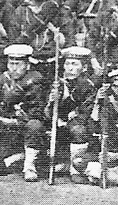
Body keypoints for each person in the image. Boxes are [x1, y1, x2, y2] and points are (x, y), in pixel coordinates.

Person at [0, 44, 47, 180]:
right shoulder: (2, 80)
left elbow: (37, 112)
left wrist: (14, 120)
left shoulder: (35, 80)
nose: (13, 68)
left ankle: (29, 167)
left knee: (34, 125)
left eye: (18, 64)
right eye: (11, 63)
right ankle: (18, 158)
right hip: (9, 131)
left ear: (27, 65)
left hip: (29, 130)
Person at [46, 46, 98, 183]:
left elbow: (86, 111)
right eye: (67, 64)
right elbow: (46, 111)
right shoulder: (57, 84)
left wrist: (69, 120)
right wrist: (52, 101)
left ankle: (76, 168)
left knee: (78, 130)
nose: (70, 68)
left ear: (84, 67)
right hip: (57, 123)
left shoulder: (88, 85)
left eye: (75, 64)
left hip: (78, 125)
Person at [10, 0, 65, 79]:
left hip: (53, 60)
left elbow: (67, 32)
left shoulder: (56, 10)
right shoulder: (21, 10)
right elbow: (14, 36)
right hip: (29, 61)